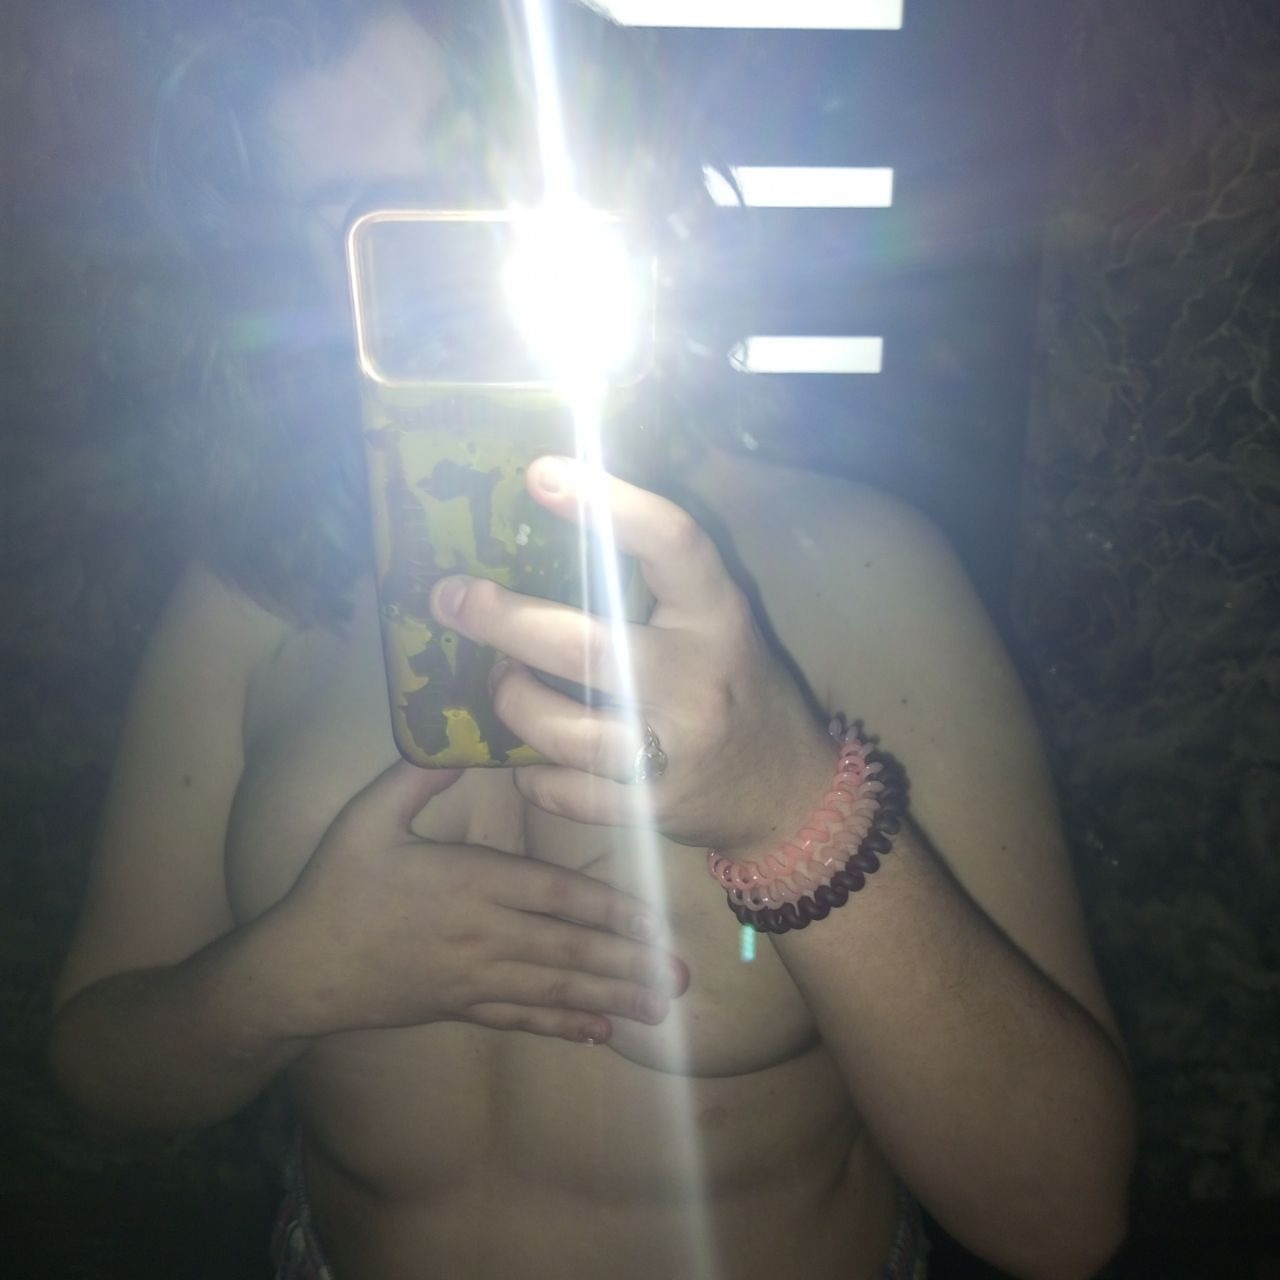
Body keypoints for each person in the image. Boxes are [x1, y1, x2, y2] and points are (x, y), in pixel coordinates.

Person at [49, 4, 1135, 1278]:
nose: (438, 275)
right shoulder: (248, 591)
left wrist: (788, 804)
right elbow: (98, 1066)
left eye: (472, 186)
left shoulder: (854, 565)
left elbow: (1062, 1217)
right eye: (353, 221)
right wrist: (277, 980)